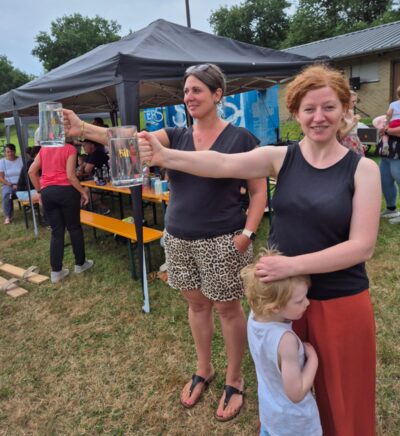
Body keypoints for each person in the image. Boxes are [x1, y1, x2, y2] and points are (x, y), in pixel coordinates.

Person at [138, 64, 381, 436]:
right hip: (281, 301)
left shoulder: (363, 170)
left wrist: (291, 266)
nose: (318, 117)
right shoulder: (281, 158)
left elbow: (361, 247)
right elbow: (221, 163)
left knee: (344, 401)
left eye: (329, 107)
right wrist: (165, 157)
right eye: (309, 108)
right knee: (284, 392)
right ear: (295, 112)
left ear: (345, 109)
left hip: (339, 300)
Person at [62, 63, 267, 422]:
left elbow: (259, 191)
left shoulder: (241, 138)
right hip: (179, 237)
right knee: (197, 306)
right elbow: (128, 140)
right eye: (186, 91)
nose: (189, 97)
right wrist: (83, 129)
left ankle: (235, 379)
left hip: (223, 239)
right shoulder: (175, 135)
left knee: (228, 310)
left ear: (218, 94)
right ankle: (204, 369)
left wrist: (246, 235)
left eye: (197, 90)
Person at [241, 248, 321, 436]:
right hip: (295, 424)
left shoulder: (254, 318)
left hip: (270, 416)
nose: (307, 303)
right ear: (275, 307)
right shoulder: (286, 341)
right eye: (299, 301)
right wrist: (313, 360)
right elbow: (296, 393)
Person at [29, 139, 94, 284]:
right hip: (66, 191)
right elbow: (70, 175)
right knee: (74, 228)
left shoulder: (44, 149)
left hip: (47, 192)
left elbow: (31, 172)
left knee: (56, 231)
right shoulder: (69, 148)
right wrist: (82, 191)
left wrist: (40, 191)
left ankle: (56, 272)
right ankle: (80, 264)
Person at [374, 112, 400, 223]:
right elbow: (379, 123)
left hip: (397, 155)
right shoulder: (394, 111)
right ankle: (391, 209)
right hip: (387, 155)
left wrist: (386, 130)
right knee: (385, 182)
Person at [0, 143, 23, 224]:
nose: (10, 153)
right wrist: (11, 185)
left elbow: (26, 173)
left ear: (15, 151)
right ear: (5, 152)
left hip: (21, 183)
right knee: (6, 194)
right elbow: (1, 178)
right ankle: (8, 216)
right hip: (8, 184)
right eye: (7, 152)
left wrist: (19, 184)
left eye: (11, 151)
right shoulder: (2, 162)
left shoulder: (21, 159)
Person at [338, 90, 364, 155]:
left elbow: (353, 132)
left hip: (355, 143)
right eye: (353, 101)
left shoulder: (351, 111)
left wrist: (359, 144)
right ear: (346, 101)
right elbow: (340, 135)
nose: (355, 103)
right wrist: (354, 123)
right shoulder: (341, 114)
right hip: (345, 144)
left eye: (356, 101)